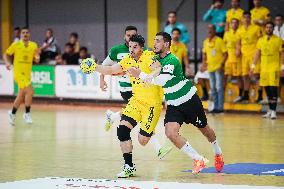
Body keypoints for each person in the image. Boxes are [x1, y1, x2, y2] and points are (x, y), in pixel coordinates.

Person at [128, 32, 224, 174]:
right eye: (154, 40)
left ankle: (218, 152)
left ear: (166, 44)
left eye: (158, 41)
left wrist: (141, 75)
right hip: (173, 103)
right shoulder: (155, 58)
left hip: (189, 100)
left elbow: (161, 81)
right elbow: (151, 67)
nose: (154, 43)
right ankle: (198, 159)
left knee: (205, 130)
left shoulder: (172, 60)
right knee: (170, 132)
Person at [83, 34, 172, 178]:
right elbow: (112, 70)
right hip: (136, 101)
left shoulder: (149, 56)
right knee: (122, 131)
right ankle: (129, 166)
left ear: (141, 48)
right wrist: (95, 67)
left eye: (135, 47)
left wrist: (147, 75)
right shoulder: (127, 60)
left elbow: (158, 69)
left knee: (143, 141)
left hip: (152, 105)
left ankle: (149, 137)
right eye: (130, 46)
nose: (131, 49)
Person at [100, 26, 137, 131]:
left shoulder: (143, 50)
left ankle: (112, 116)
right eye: (128, 35)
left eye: (133, 36)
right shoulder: (116, 50)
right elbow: (104, 66)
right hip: (127, 88)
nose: (130, 38)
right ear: (124, 36)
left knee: (136, 111)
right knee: (139, 112)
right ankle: (157, 146)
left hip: (140, 88)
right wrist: (101, 79)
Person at [3, 27, 40, 125]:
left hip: (27, 74)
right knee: (30, 91)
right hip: (18, 73)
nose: (25, 34)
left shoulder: (33, 45)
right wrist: (7, 63)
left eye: (27, 32)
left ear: (29, 34)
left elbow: (36, 59)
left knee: (21, 95)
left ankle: (12, 113)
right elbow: (5, 54)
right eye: (23, 33)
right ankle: (27, 113)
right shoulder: (16, 45)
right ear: (20, 35)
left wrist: (37, 57)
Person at [251, 22, 284, 119]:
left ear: (273, 29)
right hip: (264, 68)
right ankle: (270, 110)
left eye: (270, 27)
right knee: (267, 90)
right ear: (265, 29)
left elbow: (282, 54)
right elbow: (257, 54)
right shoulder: (261, 40)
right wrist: (253, 66)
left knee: (274, 90)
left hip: (274, 68)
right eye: (267, 27)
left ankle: (274, 111)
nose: (269, 29)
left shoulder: (279, 40)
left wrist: (282, 68)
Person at [236, 11, 262, 103]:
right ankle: (246, 96)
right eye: (245, 17)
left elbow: (260, 41)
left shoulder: (256, 28)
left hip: (254, 55)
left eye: (248, 17)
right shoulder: (239, 30)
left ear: (250, 18)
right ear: (242, 19)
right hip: (244, 56)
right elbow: (238, 43)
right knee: (245, 76)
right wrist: (238, 50)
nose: (246, 19)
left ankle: (260, 96)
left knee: (256, 75)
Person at [202, 24, 228, 113]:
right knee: (213, 88)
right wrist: (203, 64)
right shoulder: (205, 42)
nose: (209, 31)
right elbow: (204, 54)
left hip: (218, 68)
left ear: (215, 31)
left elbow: (225, 54)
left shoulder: (220, 41)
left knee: (219, 87)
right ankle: (214, 107)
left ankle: (220, 108)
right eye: (208, 29)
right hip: (210, 68)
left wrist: (222, 64)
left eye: (211, 29)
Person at [223, 18, 243, 102]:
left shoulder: (240, 33)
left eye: (236, 23)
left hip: (237, 58)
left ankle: (240, 95)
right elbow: (224, 46)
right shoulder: (226, 34)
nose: (234, 24)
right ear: (230, 24)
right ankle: (222, 95)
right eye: (232, 23)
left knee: (238, 77)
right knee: (225, 76)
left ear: (238, 24)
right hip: (228, 58)